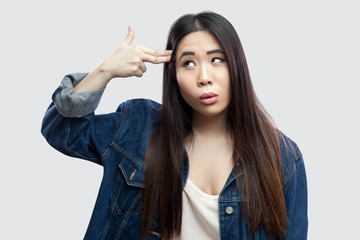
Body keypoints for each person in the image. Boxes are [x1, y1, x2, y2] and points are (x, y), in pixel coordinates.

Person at [41, 11, 307, 240]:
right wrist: (105, 71)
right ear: (173, 75)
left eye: (217, 59)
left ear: (237, 66)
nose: (204, 77)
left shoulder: (282, 157)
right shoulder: (138, 127)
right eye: (188, 63)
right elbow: (61, 130)